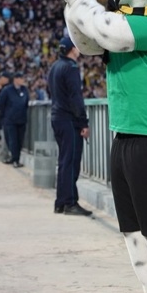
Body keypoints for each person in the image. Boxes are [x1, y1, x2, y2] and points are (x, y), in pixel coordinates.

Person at [47, 36, 92, 216]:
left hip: (58, 117)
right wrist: (83, 122)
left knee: (64, 162)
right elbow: (75, 97)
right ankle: (70, 203)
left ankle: (60, 202)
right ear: (72, 49)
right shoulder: (71, 68)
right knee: (71, 162)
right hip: (69, 120)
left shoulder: (55, 67)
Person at [0, 72, 29, 168]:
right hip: (10, 120)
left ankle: (16, 158)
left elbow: (26, 103)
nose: (23, 80)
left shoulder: (24, 90)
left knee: (20, 140)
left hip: (21, 119)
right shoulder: (7, 90)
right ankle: (15, 159)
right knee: (12, 140)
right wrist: (3, 117)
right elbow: (1, 104)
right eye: (21, 78)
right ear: (15, 79)